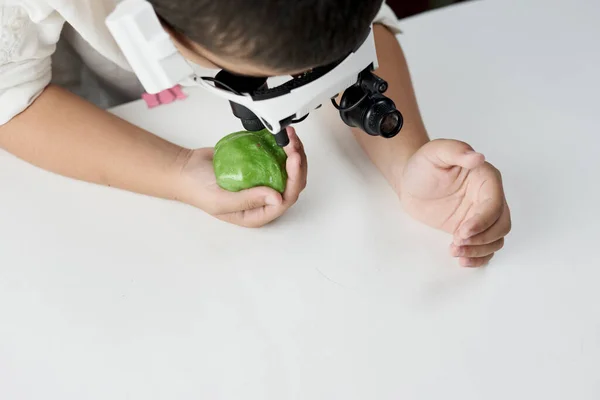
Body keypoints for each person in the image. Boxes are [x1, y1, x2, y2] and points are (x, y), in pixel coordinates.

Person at [0, 0, 510, 267]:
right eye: (262, 77)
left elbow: (356, 26)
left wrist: (406, 158)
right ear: (149, 30)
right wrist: (176, 171)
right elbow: (13, 97)